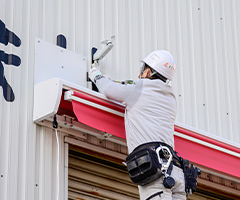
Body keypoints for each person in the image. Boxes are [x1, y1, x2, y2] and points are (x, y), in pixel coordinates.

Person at [89, 50, 186, 200]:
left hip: (156, 170)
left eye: (142, 69)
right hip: (176, 172)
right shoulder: (171, 98)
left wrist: (96, 74)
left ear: (147, 72)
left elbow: (108, 89)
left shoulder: (140, 88)